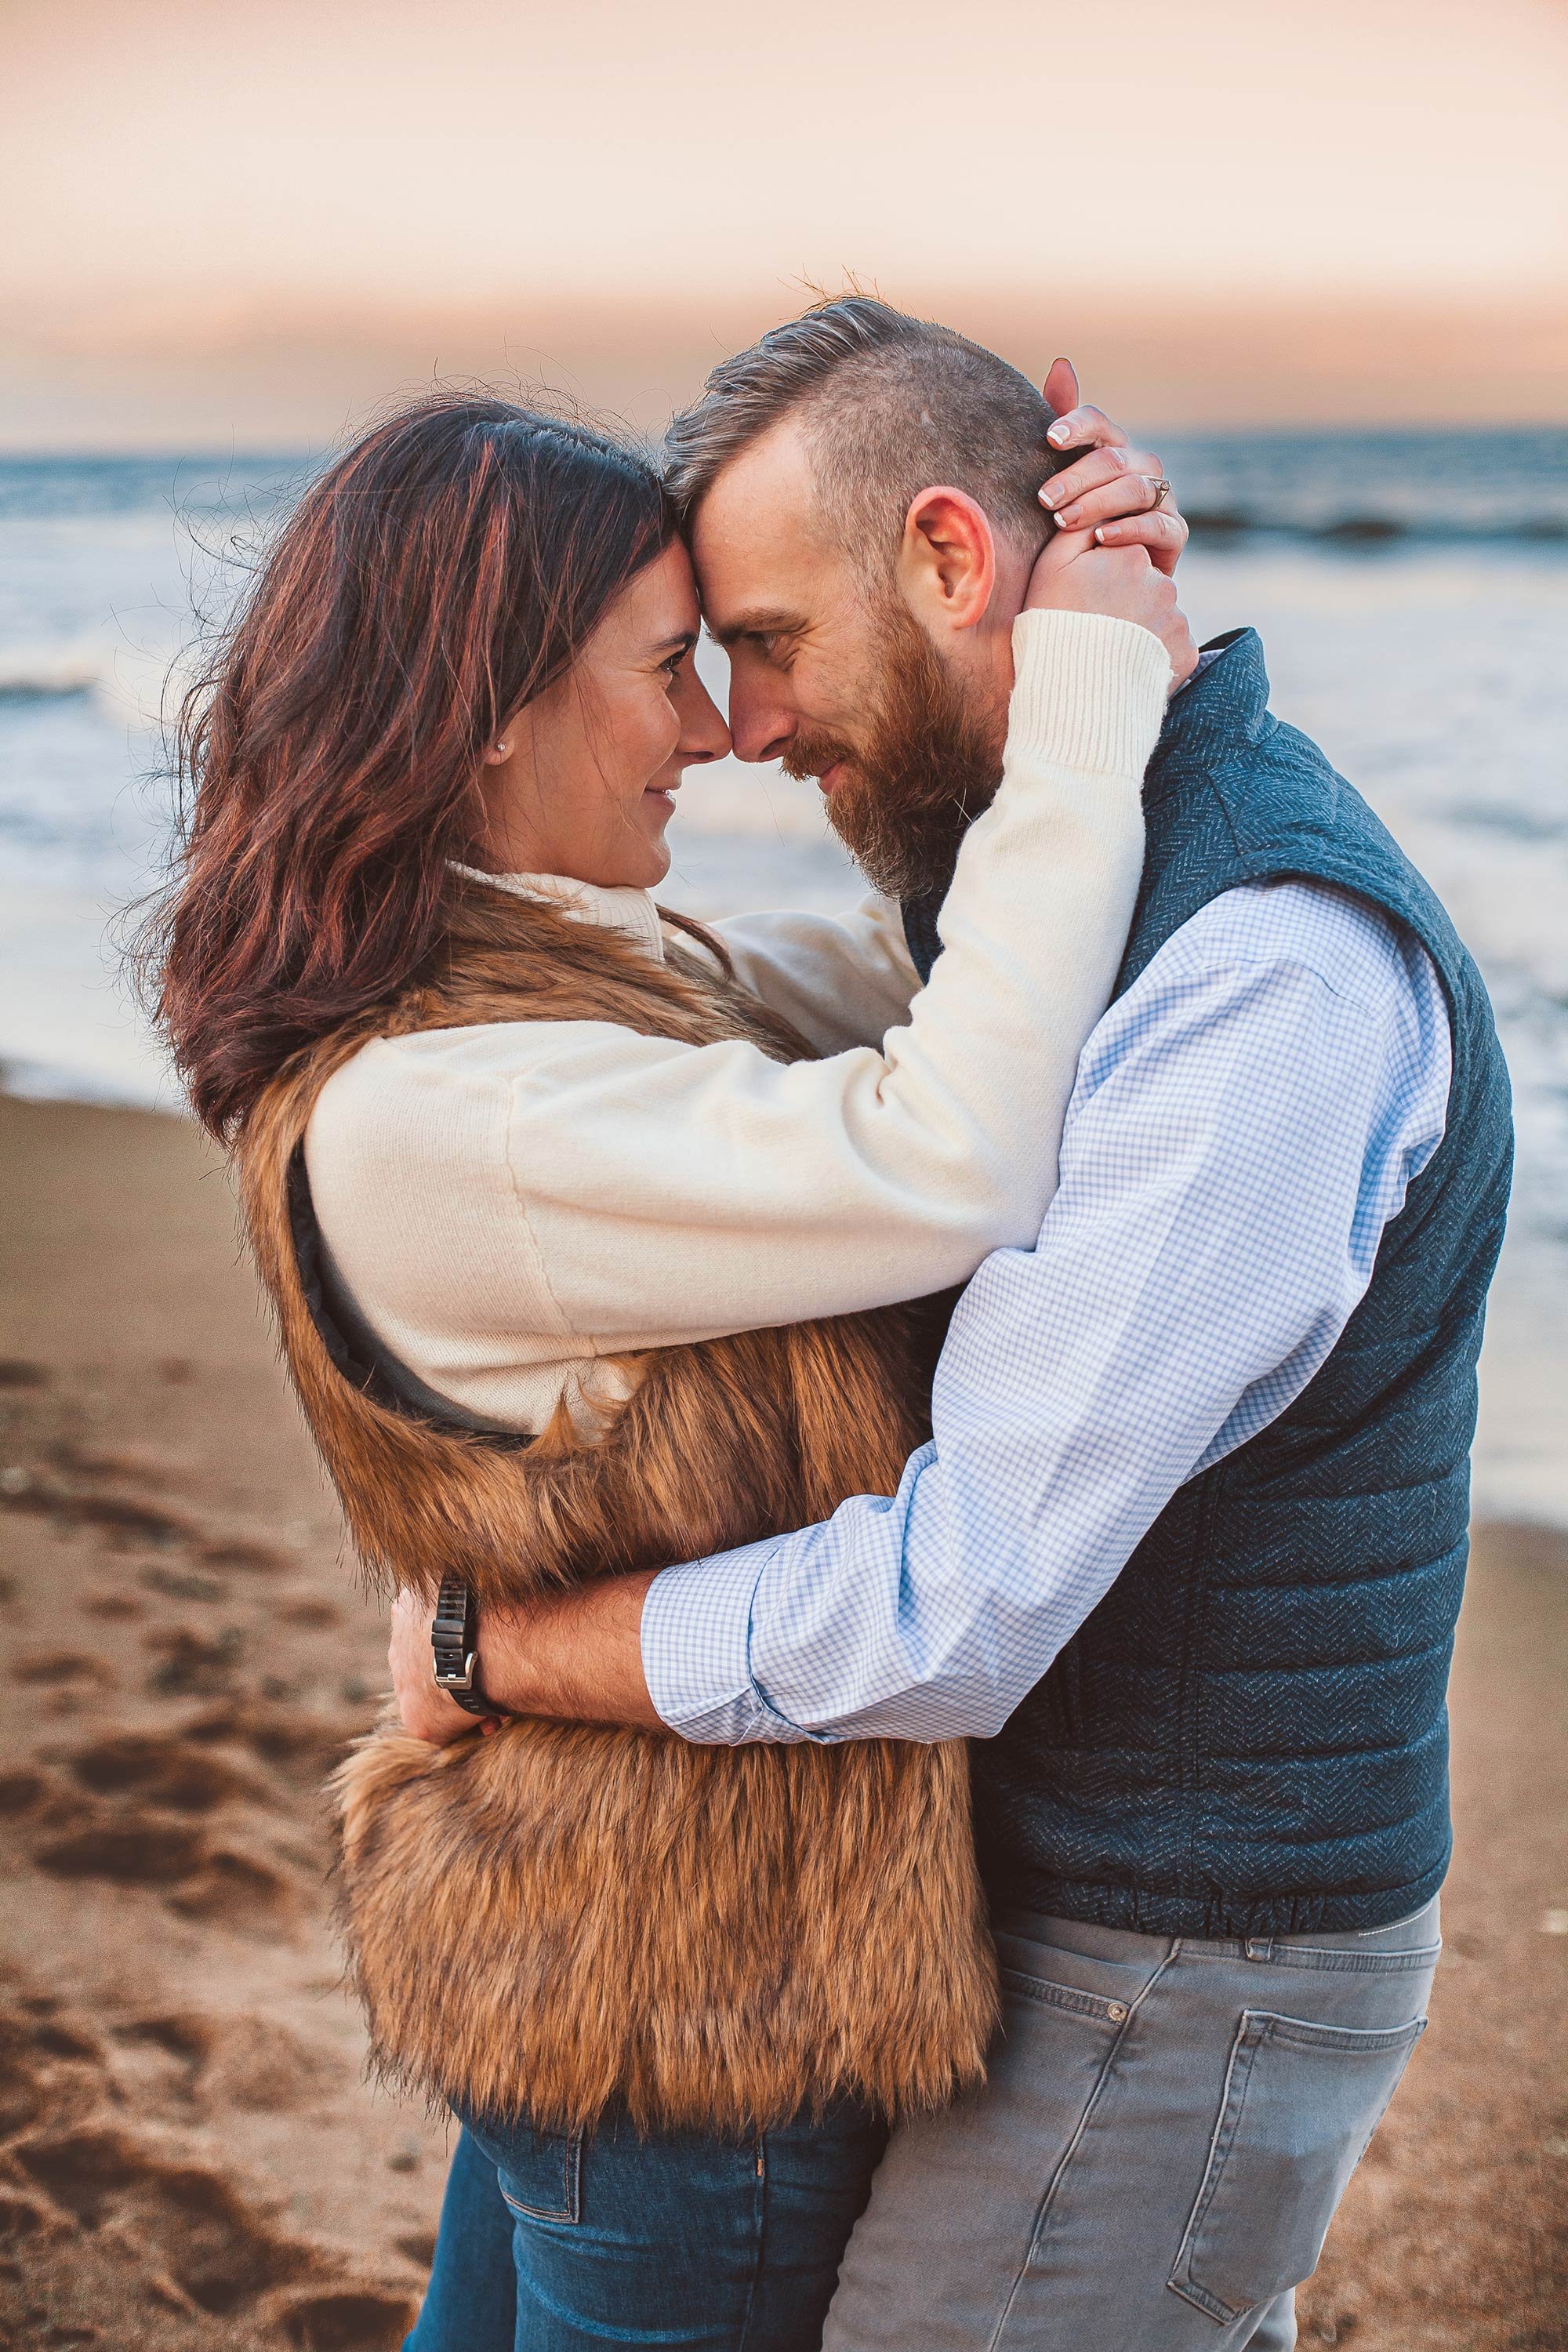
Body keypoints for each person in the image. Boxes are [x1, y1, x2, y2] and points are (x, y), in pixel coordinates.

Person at [401, 299, 1513, 2350]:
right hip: (1064, 1911)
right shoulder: (1055, 879)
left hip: (1184, 1968)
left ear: (946, 557)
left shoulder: (1266, 977)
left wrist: (506, 1646)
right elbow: (801, 1054)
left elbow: (959, 1604)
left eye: (769, 641)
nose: (743, 723)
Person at [147, 367, 1194, 2351]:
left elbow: (964, 988)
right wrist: (1077, 696)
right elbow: (946, 1149)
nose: (716, 733)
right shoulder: (445, 1107)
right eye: (667, 672)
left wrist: (1047, 613)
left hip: (596, 1977)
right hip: (693, 2022)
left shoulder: (567, 988)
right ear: (484, 718)